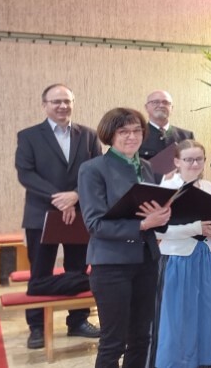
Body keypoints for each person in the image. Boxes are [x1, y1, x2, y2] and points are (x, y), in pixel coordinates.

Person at [78, 107, 170, 367]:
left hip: (147, 260)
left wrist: (163, 217)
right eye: (124, 131)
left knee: (141, 338)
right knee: (113, 342)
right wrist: (143, 224)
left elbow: (150, 213)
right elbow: (95, 224)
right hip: (111, 265)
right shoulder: (93, 168)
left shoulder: (147, 167)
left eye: (137, 131)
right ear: (110, 135)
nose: (132, 136)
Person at [15, 83, 101, 349]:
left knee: (78, 268)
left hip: (79, 212)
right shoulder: (29, 136)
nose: (62, 106)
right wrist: (59, 198)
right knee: (39, 272)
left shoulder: (88, 135)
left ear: (73, 103)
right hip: (41, 214)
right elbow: (26, 173)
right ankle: (37, 327)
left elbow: (96, 170)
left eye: (67, 101)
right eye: (56, 102)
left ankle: (78, 321)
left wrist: (75, 195)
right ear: (45, 105)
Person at [153, 140, 211, 368]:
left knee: (205, 311)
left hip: (204, 256)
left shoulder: (207, 187)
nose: (194, 164)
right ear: (177, 161)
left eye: (199, 159)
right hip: (177, 259)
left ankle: (203, 359)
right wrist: (196, 228)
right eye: (188, 159)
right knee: (179, 317)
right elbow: (158, 230)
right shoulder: (167, 188)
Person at [138, 90, 195, 175]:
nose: (161, 105)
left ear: (172, 108)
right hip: (147, 182)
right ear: (146, 107)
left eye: (165, 102)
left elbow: (193, 164)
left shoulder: (186, 136)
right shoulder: (137, 135)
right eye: (155, 102)